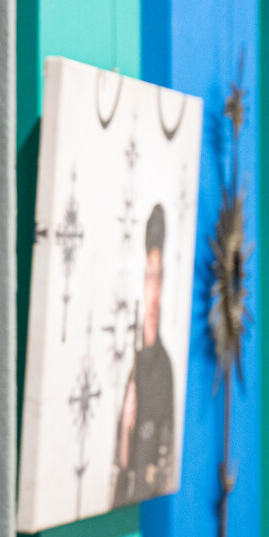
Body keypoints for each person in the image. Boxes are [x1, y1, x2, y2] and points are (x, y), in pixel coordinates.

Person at [114, 204, 175, 506]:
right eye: (149, 276)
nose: (154, 293)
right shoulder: (129, 364)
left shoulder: (163, 368)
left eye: (159, 277)